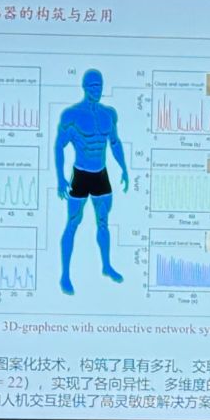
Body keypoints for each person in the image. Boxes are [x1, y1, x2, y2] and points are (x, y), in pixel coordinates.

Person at [54, 67, 128, 294]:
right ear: (84, 87)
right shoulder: (72, 115)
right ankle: (65, 275)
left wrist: (124, 169)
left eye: (100, 85)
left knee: (103, 221)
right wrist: (60, 179)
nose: (97, 89)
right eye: (93, 86)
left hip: (101, 175)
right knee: (73, 221)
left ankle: (106, 266)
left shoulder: (109, 114)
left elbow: (114, 143)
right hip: (81, 175)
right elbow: (59, 145)